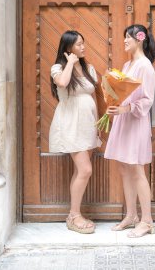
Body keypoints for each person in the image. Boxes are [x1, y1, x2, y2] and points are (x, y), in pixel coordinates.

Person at [104, 24, 155, 238]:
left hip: (135, 122)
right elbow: (121, 92)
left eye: (128, 37)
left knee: (137, 170)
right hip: (123, 121)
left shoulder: (145, 66)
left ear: (140, 38)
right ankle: (131, 215)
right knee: (124, 168)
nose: (124, 41)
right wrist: (113, 101)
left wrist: (126, 108)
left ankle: (147, 221)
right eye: (124, 37)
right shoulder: (127, 64)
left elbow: (147, 99)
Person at [49, 30, 99, 234]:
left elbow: (93, 96)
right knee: (86, 170)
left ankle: (73, 215)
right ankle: (74, 215)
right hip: (70, 124)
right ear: (68, 47)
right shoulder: (58, 67)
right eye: (79, 44)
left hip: (88, 124)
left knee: (80, 171)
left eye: (83, 43)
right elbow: (62, 83)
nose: (83, 47)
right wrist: (70, 62)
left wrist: (98, 125)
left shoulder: (89, 68)